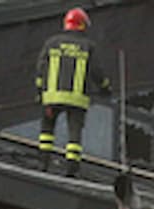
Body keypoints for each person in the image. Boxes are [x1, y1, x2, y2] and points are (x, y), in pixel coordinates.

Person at [35, 7, 110, 177]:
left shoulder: (52, 43)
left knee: (47, 132)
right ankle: (71, 170)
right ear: (83, 25)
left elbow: (40, 69)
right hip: (77, 100)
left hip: (52, 97)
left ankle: (42, 163)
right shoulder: (88, 46)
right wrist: (105, 87)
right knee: (74, 136)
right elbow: (97, 72)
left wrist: (39, 91)